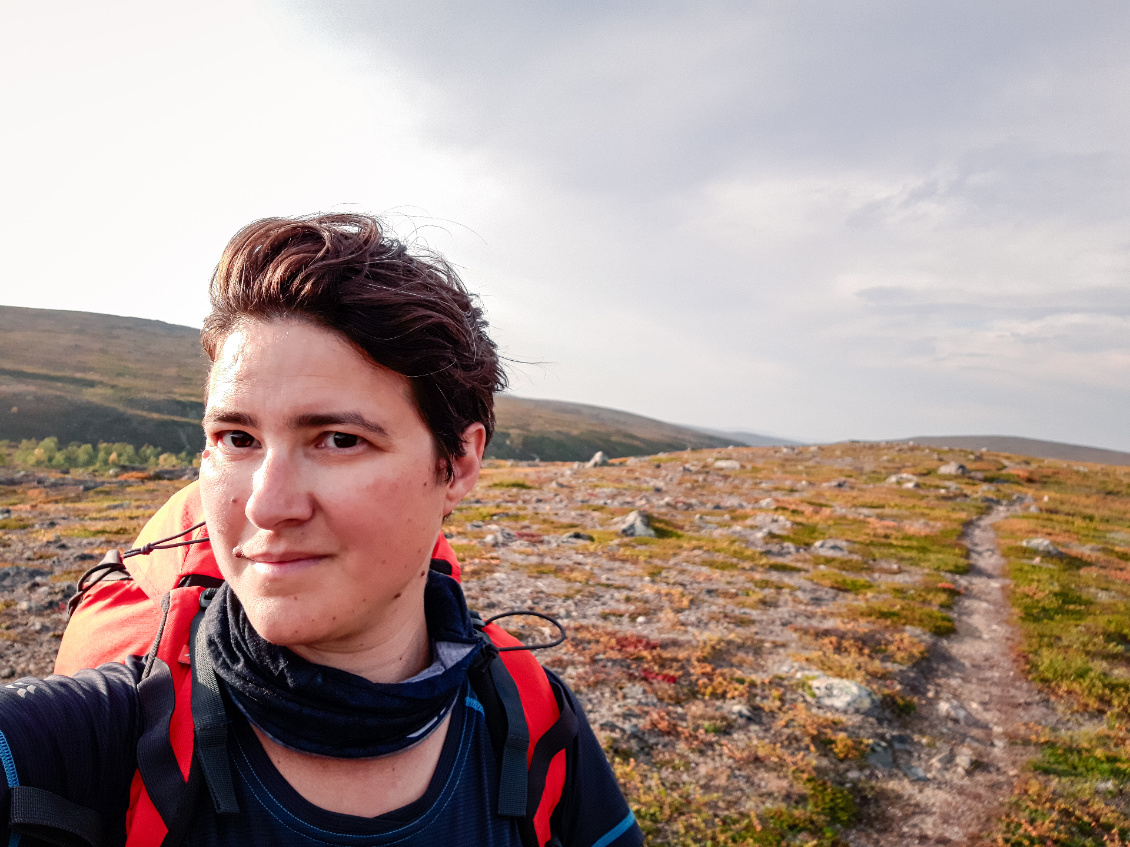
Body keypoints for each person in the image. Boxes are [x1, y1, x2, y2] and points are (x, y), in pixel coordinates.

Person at [0, 213, 643, 846]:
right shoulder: (89, 741)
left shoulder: (534, 723)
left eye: (339, 439)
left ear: (459, 463)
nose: (266, 505)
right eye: (237, 438)